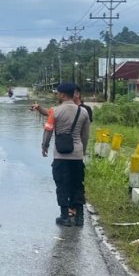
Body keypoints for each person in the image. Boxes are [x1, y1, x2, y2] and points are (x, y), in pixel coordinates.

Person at [41, 82, 90, 226]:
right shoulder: (84, 112)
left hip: (61, 155)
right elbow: (85, 136)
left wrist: (45, 146)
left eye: (57, 93)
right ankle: (79, 218)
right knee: (77, 185)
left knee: (62, 185)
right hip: (77, 155)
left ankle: (65, 217)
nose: (56, 95)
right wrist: (82, 150)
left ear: (62, 95)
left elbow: (48, 130)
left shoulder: (54, 111)